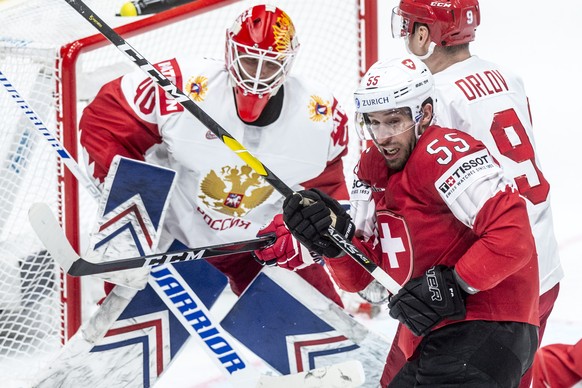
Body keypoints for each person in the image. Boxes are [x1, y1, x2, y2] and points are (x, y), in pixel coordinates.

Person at [258, 55, 541, 386]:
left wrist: (456, 282)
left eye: (393, 121)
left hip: (489, 325)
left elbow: (514, 237)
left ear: (426, 113)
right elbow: (369, 284)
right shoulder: (371, 168)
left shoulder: (445, 152)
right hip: (438, 336)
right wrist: (331, 240)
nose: (383, 136)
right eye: (373, 123)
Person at [78, 4, 350, 307]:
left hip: (260, 242)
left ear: (288, 64)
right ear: (230, 51)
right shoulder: (182, 85)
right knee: (131, 333)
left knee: (329, 340)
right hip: (174, 232)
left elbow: (329, 196)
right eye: (249, 61)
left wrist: (308, 238)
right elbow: (106, 119)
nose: (258, 77)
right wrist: (129, 211)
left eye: (270, 65)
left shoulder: (319, 117)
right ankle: (130, 259)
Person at [388, 1, 563, 386]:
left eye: (410, 25)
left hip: (487, 279)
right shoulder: (506, 76)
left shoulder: (434, 97)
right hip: (542, 268)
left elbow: (420, 199)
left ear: (424, 34)